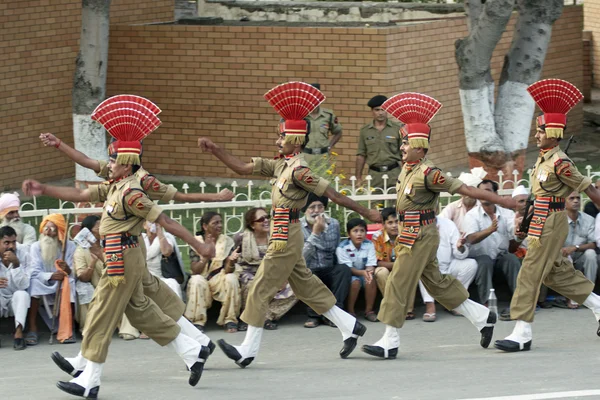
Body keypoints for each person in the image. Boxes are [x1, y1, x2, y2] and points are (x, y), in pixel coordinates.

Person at [23, 95, 217, 397]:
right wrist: (44, 188)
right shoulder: (116, 185)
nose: (106, 164)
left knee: (102, 313)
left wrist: (199, 244)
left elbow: (166, 220)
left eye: (112, 160)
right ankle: (194, 348)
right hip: (119, 254)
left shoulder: (133, 192)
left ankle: (89, 379)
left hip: (123, 258)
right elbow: (83, 195)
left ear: (125, 163)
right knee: (139, 311)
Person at [199, 81, 381, 368]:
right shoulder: (280, 164)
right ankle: (350, 326)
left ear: (295, 140)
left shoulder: (300, 170)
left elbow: (331, 194)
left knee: (260, 288)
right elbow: (243, 168)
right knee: (305, 285)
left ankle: (248, 349)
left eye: (280, 137)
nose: (276, 141)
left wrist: (367, 213)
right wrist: (216, 149)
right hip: (284, 232)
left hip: (286, 233)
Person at [360, 92, 516, 360]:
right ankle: (482, 317)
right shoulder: (408, 170)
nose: (402, 147)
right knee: (438, 283)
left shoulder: (429, 173)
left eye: (406, 143)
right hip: (410, 234)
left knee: (398, 282)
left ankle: (390, 340)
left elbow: (467, 188)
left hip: (421, 235)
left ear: (420, 146)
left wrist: (504, 201)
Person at [494, 79, 600, 352]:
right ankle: (598, 305)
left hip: (552, 221)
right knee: (554, 273)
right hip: (541, 219)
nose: (536, 134)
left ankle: (522, 331)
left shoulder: (561, 162)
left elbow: (586, 186)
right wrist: (526, 220)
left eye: (540, 130)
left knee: (530, 272)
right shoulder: (544, 158)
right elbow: (537, 196)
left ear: (554, 132)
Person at [463, 179, 522, 314]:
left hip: (500, 258)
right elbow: (471, 238)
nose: (484, 194)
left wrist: (519, 233)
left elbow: (514, 233)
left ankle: (520, 301)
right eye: (481, 192)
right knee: (484, 261)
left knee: (511, 259)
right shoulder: (471, 215)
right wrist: (489, 230)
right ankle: (487, 304)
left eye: (488, 191)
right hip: (480, 260)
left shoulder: (507, 214)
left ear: (495, 194)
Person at [235, 207, 297, 331]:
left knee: (297, 287)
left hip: (271, 273)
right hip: (249, 273)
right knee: (253, 284)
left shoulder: (277, 237)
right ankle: (248, 318)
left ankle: (266, 316)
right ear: (252, 225)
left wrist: (283, 277)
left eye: (267, 217)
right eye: (261, 219)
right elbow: (233, 259)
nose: (266, 221)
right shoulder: (241, 238)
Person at [185, 212, 242, 333]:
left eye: (220, 222)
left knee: (231, 278)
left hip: (219, 278)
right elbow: (195, 270)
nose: (220, 225)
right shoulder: (196, 242)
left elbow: (227, 270)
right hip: (202, 278)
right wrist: (206, 255)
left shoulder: (227, 241)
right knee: (196, 280)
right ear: (205, 226)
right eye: (215, 223)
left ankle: (230, 319)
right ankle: (197, 321)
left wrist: (231, 262)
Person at [300, 193, 350, 328]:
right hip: (310, 268)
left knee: (343, 270)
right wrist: (315, 233)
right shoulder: (298, 227)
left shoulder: (333, 224)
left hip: (328, 267)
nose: (316, 211)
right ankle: (314, 316)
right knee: (308, 274)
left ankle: (335, 314)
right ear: (305, 210)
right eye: (312, 207)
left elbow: (337, 248)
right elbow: (302, 257)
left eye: (320, 207)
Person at [26, 214, 76, 345]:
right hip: (43, 280)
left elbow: (73, 271)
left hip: (62, 281)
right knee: (33, 284)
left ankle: (69, 328)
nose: (48, 232)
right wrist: (51, 276)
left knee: (69, 283)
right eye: (46, 228)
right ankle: (32, 329)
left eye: (52, 229)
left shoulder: (69, 246)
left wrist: (67, 270)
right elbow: (34, 271)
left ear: (59, 232)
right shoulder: (36, 246)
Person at [419, 217, 478, 320]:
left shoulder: (448, 224)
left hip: (448, 266)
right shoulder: (416, 225)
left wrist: (460, 247)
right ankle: (430, 306)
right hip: (428, 265)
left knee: (471, 264)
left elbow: (458, 254)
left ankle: (455, 302)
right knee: (421, 267)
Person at [557, 191, 598, 308]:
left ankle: (588, 294)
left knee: (591, 254)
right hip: (563, 256)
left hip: (580, 256)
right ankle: (570, 297)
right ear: (564, 202)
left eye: (578, 198)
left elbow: (593, 243)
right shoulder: (557, 220)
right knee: (565, 256)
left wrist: (575, 248)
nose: (576, 201)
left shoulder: (588, 219)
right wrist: (563, 251)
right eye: (572, 198)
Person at [355, 95, 402, 190]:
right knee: (375, 203)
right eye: (377, 110)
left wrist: (406, 175)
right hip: (374, 175)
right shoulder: (365, 131)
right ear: (372, 111)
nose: (380, 113)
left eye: (383, 109)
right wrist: (358, 178)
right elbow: (361, 155)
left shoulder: (397, 129)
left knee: (395, 203)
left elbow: (404, 154)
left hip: (394, 174)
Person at [337, 218, 378, 321]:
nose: (359, 234)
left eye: (362, 231)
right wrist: (364, 272)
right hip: (348, 275)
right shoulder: (342, 247)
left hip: (364, 272)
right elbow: (348, 268)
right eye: (355, 231)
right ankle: (350, 311)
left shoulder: (369, 244)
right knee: (355, 282)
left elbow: (371, 263)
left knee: (370, 279)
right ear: (349, 234)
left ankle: (369, 311)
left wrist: (368, 272)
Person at [0, 226, 31, 350]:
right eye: (6, 243)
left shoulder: (23, 255)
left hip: (15, 300)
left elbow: (24, 285)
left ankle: (18, 335)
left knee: (22, 294)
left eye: (13, 242)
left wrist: (16, 265)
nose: (11, 246)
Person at [73, 215, 104, 332]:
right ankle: (89, 328)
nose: (101, 228)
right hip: (92, 285)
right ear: (88, 232)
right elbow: (83, 277)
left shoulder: (108, 244)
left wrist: (100, 255)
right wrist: (92, 264)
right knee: (83, 289)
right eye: (98, 226)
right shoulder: (81, 251)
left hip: (110, 282)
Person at [302, 83, 343, 165]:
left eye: (316, 96)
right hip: (305, 156)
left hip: (323, 157)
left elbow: (338, 131)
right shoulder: (301, 116)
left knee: (324, 177)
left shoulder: (328, 115)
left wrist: (330, 146)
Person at [440, 167, 488, 231]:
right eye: (465, 192)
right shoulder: (453, 207)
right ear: (461, 193)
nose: (467, 195)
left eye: (470, 192)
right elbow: (441, 221)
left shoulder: (483, 208)